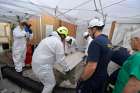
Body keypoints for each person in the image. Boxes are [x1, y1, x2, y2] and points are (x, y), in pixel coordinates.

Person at [77, 18, 112, 93]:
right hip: (103, 77)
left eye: (89, 30)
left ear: (94, 29)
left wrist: (82, 79)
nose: (89, 33)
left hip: (93, 79)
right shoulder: (108, 41)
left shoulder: (95, 42)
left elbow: (92, 67)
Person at [32, 26, 70, 93]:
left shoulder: (46, 39)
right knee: (50, 84)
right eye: (64, 37)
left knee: (46, 82)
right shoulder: (58, 42)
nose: (63, 39)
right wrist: (67, 69)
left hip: (35, 64)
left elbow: (49, 54)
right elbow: (61, 59)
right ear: (63, 35)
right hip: (43, 67)